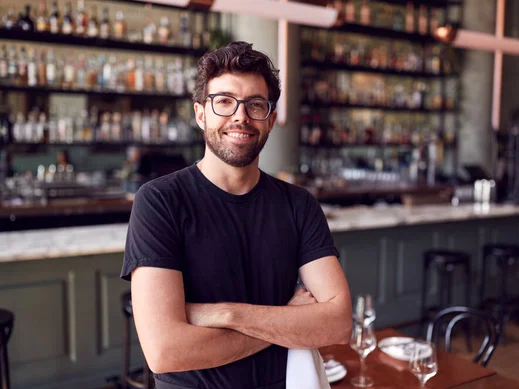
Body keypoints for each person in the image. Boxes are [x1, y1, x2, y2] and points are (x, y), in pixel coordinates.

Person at [121, 41, 352, 389]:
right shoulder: (160, 201)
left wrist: (223, 314)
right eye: (224, 101)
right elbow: (165, 351)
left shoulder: (298, 204)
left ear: (271, 120)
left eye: (255, 104)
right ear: (201, 114)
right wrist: (289, 321)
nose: (240, 116)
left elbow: (337, 325)